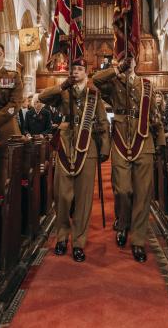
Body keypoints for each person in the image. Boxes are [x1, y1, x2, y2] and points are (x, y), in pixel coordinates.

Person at [93, 56, 166, 263]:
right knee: (122, 190)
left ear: (136, 63)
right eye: (123, 59)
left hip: (144, 140)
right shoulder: (113, 83)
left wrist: (160, 142)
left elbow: (155, 115)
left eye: (129, 60)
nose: (127, 62)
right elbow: (96, 81)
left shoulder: (146, 85)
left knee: (143, 193)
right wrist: (116, 70)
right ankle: (123, 223)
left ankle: (138, 240)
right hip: (121, 140)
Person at [39, 59, 110, 262]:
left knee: (84, 197)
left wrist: (104, 149)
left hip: (88, 147)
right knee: (62, 195)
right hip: (66, 144)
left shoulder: (93, 94)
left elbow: (103, 122)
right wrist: (63, 85)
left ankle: (78, 242)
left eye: (79, 69)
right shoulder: (63, 91)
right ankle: (62, 237)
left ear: (86, 73)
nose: (76, 72)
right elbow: (43, 97)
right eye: (73, 69)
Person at [0, 43, 23, 142]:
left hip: (5, 124)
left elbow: (15, 104)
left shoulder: (12, 76)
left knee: (6, 155)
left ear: (3, 56)